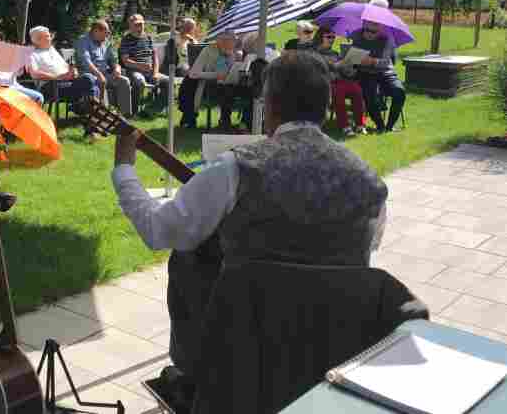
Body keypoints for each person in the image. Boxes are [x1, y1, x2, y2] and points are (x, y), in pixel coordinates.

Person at [112, 52, 387, 391]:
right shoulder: (370, 180)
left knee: (188, 257)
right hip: (331, 347)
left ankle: (194, 375)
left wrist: (124, 168)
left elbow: (158, 230)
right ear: (327, 106)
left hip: (243, 349)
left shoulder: (236, 169)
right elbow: (362, 249)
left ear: (268, 104)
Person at [178, 29, 245, 131]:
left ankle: (229, 122)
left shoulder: (234, 53)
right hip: (205, 85)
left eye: (233, 41)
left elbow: (233, 71)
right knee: (225, 91)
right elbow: (194, 73)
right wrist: (216, 75)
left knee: (232, 89)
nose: (232, 44)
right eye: (229, 41)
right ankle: (224, 122)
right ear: (220, 41)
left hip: (225, 83)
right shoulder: (208, 50)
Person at [351, 21, 406, 133]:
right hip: (365, 72)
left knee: (399, 91)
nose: (369, 33)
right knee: (370, 95)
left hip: (385, 72)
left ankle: (390, 126)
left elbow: (386, 63)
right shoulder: (357, 36)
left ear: (380, 29)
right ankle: (380, 125)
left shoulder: (388, 39)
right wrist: (358, 61)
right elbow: (351, 59)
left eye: (373, 31)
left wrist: (372, 61)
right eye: (367, 30)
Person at [311, 26, 367, 137]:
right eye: (329, 37)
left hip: (341, 80)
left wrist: (351, 66)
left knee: (357, 90)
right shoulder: (314, 53)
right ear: (320, 37)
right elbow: (324, 68)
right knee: (338, 92)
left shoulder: (335, 54)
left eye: (333, 37)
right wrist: (338, 64)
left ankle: (360, 125)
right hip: (325, 83)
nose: (332, 39)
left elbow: (344, 72)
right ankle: (345, 126)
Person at [0, 26, 45, 105]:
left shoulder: (0, 54)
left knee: (38, 98)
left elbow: (12, 76)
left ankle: (22, 117)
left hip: (12, 86)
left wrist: (18, 68)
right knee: (37, 98)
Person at [27, 26, 99, 105]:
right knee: (88, 80)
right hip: (52, 86)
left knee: (91, 83)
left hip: (67, 82)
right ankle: (86, 109)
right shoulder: (32, 54)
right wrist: (58, 77)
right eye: (48, 36)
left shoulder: (51, 50)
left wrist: (73, 71)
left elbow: (65, 66)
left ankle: (86, 108)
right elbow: (35, 74)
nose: (51, 38)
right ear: (38, 40)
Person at [75, 19, 132, 117]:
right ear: (96, 31)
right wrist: (99, 75)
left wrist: (117, 69)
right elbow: (86, 61)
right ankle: (103, 115)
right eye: (105, 34)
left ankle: (124, 115)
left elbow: (114, 60)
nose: (107, 37)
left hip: (104, 73)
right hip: (88, 75)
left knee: (124, 81)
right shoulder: (83, 41)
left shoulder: (106, 42)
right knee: (101, 81)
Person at [119, 14, 170, 117]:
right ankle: (134, 111)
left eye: (141, 24)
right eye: (136, 25)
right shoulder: (126, 40)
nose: (139, 27)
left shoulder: (148, 37)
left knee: (169, 81)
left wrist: (155, 73)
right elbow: (126, 61)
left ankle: (152, 109)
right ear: (130, 26)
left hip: (150, 71)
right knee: (138, 81)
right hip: (134, 70)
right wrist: (140, 66)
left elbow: (154, 57)